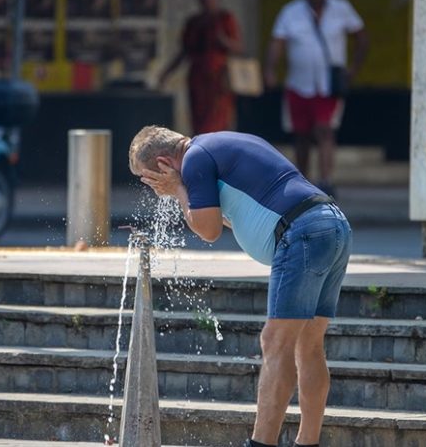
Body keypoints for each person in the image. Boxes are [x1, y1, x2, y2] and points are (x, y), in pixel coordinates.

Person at [129, 126, 352, 447]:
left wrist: (178, 189)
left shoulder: (193, 161)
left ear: (164, 163)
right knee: (309, 345)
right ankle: (308, 441)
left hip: (303, 233)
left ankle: (261, 443)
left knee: (274, 342)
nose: (155, 190)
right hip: (332, 224)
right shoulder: (217, 144)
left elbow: (207, 231)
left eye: (151, 180)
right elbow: (234, 214)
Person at [265, 0, 368, 197]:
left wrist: (353, 69)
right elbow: (277, 42)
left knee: (325, 130)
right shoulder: (290, 12)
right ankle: (303, 180)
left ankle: (325, 180)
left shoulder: (342, 8)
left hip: (328, 85)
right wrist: (271, 69)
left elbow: (361, 37)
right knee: (301, 134)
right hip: (298, 83)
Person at [158, 0, 242, 135]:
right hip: (198, 79)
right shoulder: (193, 22)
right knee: (199, 124)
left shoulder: (225, 18)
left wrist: (223, 40)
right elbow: (184, 52)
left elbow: (238, 47)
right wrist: (166, 73)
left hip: (219, 79)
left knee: (218, 123)